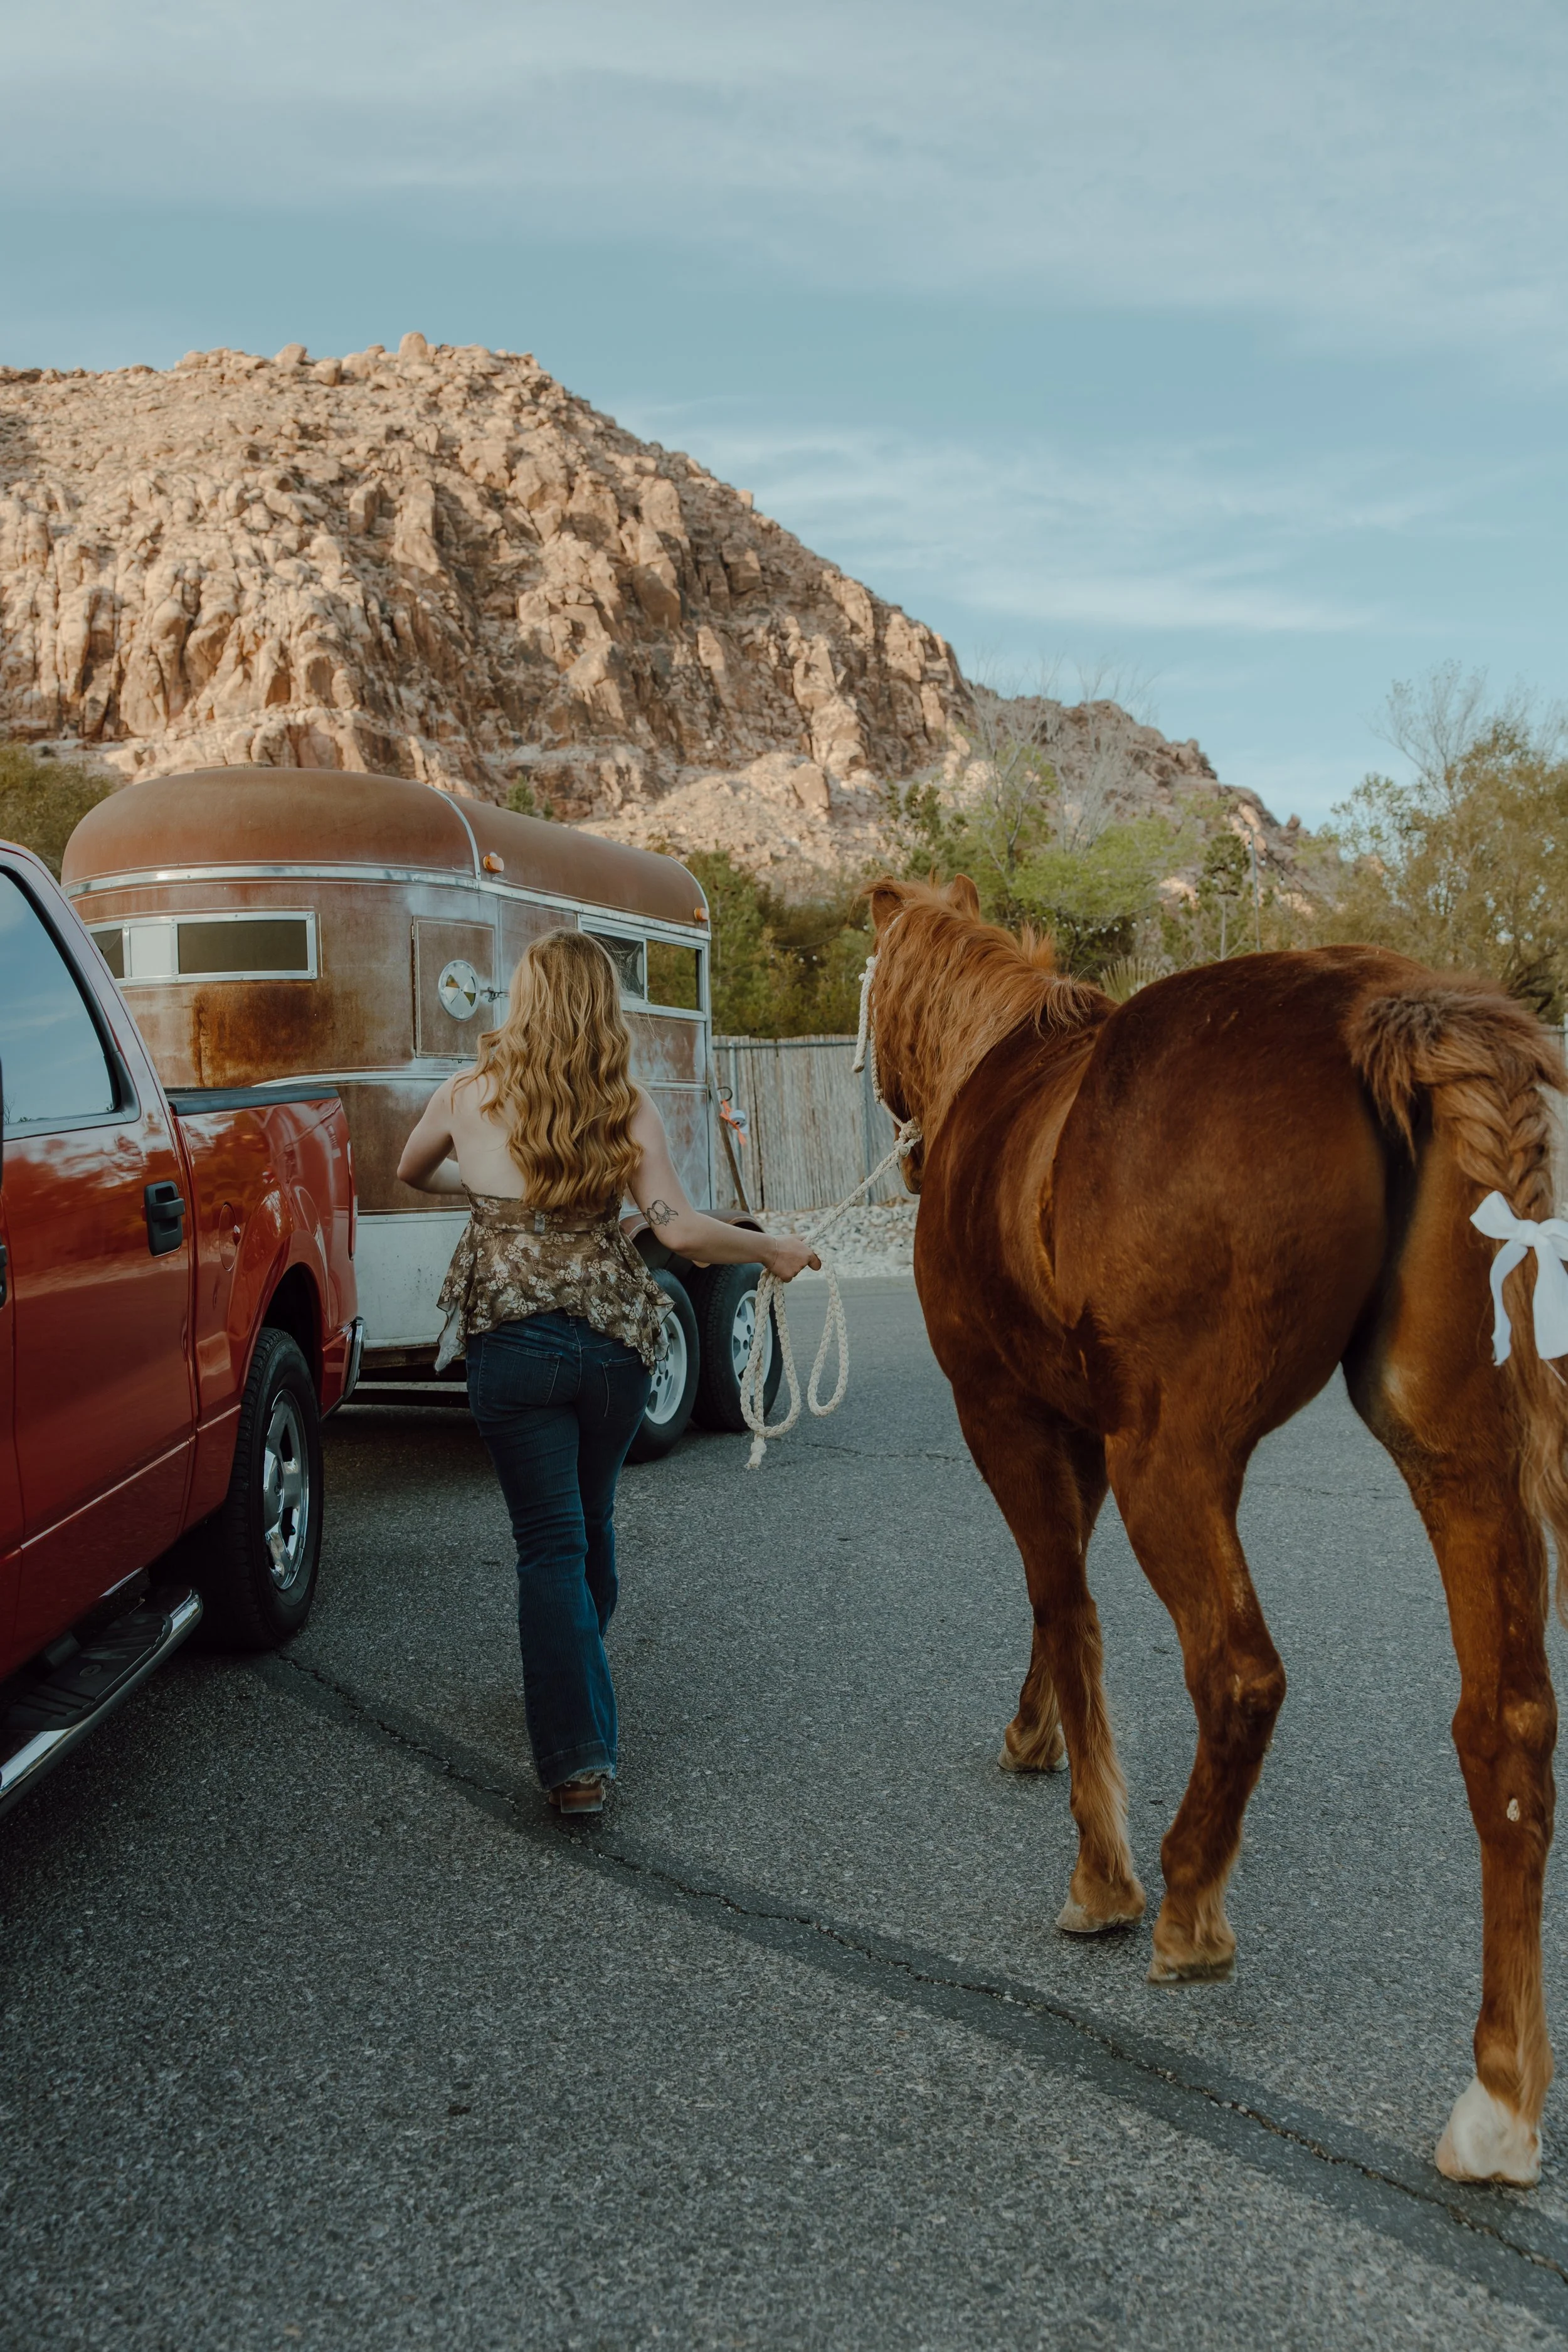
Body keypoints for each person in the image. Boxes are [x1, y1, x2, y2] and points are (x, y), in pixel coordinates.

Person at [396, 928, 818, 1816]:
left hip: (511, 1348)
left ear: (525, 998)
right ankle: (573, 1679)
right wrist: (772, 1245)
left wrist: (486, 1197)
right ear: (599, 1006)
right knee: (587, 1527)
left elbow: (409, 1168)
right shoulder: (624, 1103)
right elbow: (682, 1230)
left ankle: (576, 1760)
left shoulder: (466, 1093)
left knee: (550, 1547)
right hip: (612, 1351)